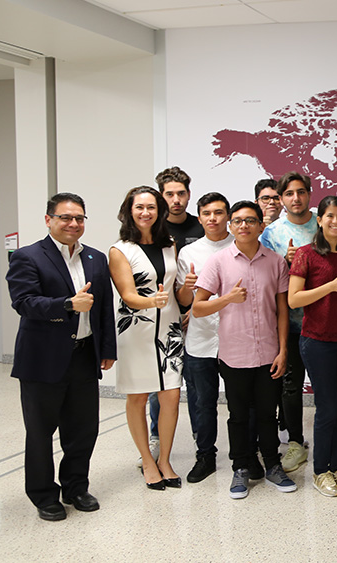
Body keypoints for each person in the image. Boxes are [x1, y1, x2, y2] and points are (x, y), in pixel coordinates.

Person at [6, 193, 116, 521]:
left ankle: (76, 487)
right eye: (66, 217)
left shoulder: (96, 258)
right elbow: (24, 302)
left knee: (83, 430)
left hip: (84, 356)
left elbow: (105, 308)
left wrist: (107, 349)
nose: (73, 224)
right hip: (42, 360)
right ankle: (43, 495)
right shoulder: (28, 256)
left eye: (79, 218)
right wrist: (66, 304)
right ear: (48, 219)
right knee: (41, 432)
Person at [193, 201, 297, 499]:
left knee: (267, 412)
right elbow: (198, 308)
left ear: (261, 226)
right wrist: (227, 299)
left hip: (269, 353)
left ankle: (273, 465)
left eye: (250, 220)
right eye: (237, 221)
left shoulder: (276, 261)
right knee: (238, 415)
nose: (243, 226)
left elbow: (281, 310)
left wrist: (283, 350)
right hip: (234, 353)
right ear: (230, 226)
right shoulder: (218, 261)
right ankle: (240, 467)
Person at [289, 196, 337, 497]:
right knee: (327, 409)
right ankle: (321, 471)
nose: (335, 221)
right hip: (317, 341)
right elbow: (294, 299)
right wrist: (330, 286)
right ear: (319, 220)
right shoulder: (306, 254)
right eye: (329, 216)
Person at [108, 186, 184, 491]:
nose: (145, 213)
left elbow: (176, 289)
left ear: (160, 211)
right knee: (138, 398)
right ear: (129, 211)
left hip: (169, 328)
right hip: (136, 329)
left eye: (151, 207)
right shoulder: (119, 250)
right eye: (139, 207)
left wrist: (184, 292)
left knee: (171, 396)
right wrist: (151, 302)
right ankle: (147, 460)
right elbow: (127, 294)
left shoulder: (170, 245)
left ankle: (165, 459)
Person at [139, 167, 203, 466]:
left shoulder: (201, 226)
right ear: (161, 196)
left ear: (189, 195)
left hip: (198, 316)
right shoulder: (152, 229)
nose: (176, 200)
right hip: (163, 319)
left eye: (181, 193)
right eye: (169, 194)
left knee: (197, 384)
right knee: (160, 384)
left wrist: (192, 309)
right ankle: (156, 439)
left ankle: (201, 443)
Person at [259, 171, 319, 474]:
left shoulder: (323, 222)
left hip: (323, 322)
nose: (296, 198)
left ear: (309, 193)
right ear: (281, 199)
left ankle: (327, 443)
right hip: (289, 323)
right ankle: (295, 442)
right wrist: (286, 261)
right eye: (289, 194)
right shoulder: (271, 233)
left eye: (301, 192)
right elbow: (263, 276)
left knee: (325, 387)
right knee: (291, 387)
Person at [175, 192, 235, 483]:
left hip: (237, 339)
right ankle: (205, 455)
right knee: (202, 402)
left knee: (241, 402)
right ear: (199, 218)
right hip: (200, 339)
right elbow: (183, 300)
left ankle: (243, 454)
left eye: (219, 212)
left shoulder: (242, 245)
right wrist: (187, 287)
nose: (213, 218)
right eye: (207, 213)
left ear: (228, 216)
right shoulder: (189, 253)